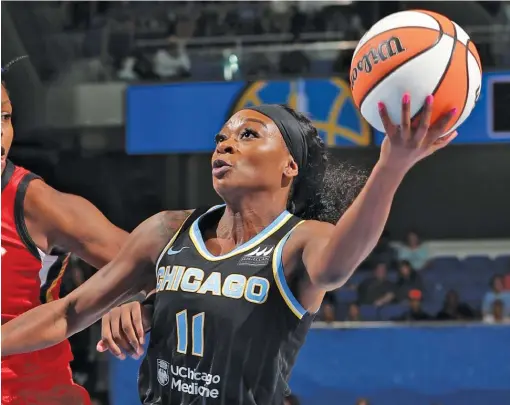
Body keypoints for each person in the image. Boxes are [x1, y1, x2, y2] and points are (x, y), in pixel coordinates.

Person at [2, 95, 458, 405]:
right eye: (221, 137)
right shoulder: (168, 230)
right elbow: (68, 312)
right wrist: (143, 302)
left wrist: (391, 165)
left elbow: (339, 266)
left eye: (247, 136)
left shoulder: (302, 240)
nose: (225, 144)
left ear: (289, 166)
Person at [1, 65, 128, 404]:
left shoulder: (38, 204)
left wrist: (125, 294)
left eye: (4, 117)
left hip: (33, 394)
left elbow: (156, 265)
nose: (0, 133)